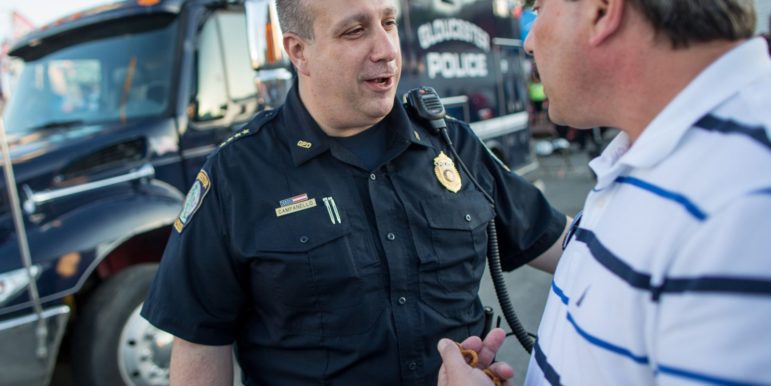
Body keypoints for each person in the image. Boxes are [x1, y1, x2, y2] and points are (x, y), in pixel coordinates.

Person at [140, 0, 568, 385]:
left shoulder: (452, 145)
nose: (386, 50)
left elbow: (566, 245)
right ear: (298, 52)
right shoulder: (237, 175)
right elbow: (200, 342)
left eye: (388, 22)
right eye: (354, 31)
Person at [523, 0, 771, 385]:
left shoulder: (747, 195)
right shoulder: (652, 150)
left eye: (538, 10)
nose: (528, 42)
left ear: (601, 11)